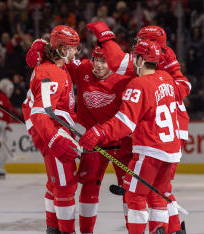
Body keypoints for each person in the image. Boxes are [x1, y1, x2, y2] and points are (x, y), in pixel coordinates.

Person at [87, 22, 190, 233]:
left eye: (140, 41)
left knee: (141, 195)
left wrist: (105, 36)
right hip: (172, 139)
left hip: (153, 143)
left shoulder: (142, 79)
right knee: (160, 191)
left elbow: (116, 62)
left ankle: (170, 229)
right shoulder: (167, 73)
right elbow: (183, 87)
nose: (136, 45)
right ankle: (172, 229)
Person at [26, 42, 133, 233]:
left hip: (120, 142)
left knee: (131, 192)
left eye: (104, 61)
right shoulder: (83, 68)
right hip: (92, 140)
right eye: (96, 60)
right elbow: (59, 58)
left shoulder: (126, 79)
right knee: (88, 186)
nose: (99, 65)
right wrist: (40, 49)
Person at [22, 25, 81, 234]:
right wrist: (55, 139)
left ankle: (53, 228)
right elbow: (40, 113)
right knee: (65, 186)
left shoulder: (54, 64)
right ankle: (66, 231)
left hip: (53, 129)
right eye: (73, 48)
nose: (76, 53)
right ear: (63, 49)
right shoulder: (52, 72)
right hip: (53, 130)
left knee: (55, 182)